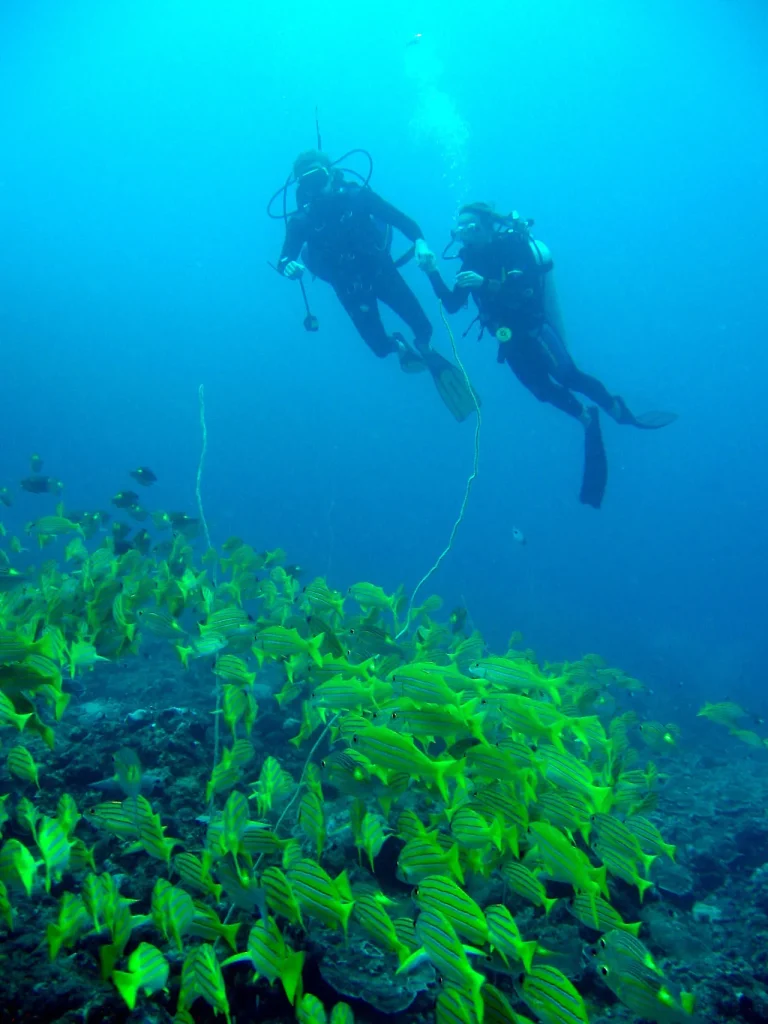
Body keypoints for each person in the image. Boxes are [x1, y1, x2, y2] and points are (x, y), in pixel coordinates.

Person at [422, 202, 676, 506]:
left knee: (569, 377)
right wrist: (432, 272)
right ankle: (585, 418)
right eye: (460, 229)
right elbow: (452, 304)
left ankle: (617, 410)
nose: (466, 235)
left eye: (473, 228)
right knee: (541, 392)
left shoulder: (512, 249)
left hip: (535, 330)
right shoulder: (468, 263)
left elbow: (526, 290)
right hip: (509, 340)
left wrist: (486, 283)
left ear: (490, 228)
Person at [275, 150, 477, 421]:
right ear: (301, 188)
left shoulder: (358, 197)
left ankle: (424, 349)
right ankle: (398, 346)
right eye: (307, 183)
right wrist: (288, 267)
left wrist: (420, 243)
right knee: (380, 349)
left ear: (331, 173)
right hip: (348, 288)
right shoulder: (302, 221)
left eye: (318, 177)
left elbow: (406, 223)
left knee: (424, 328)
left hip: (383, 274)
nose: (315, 188)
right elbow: (284, 257)